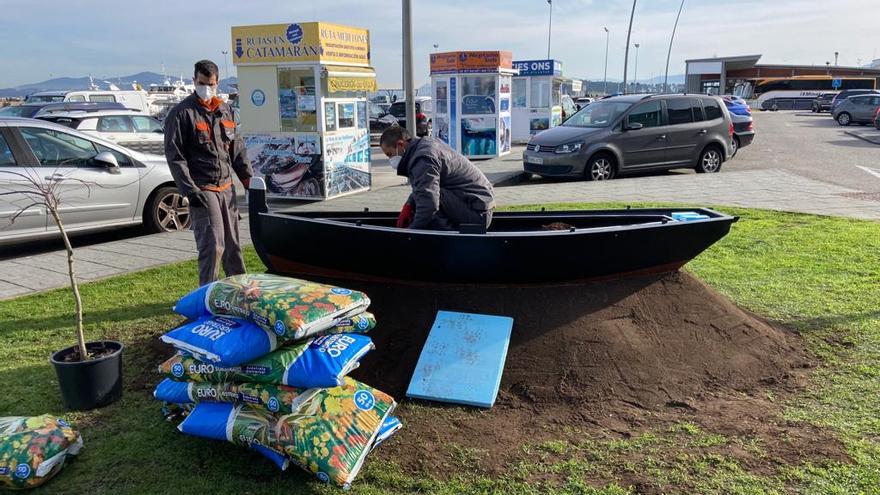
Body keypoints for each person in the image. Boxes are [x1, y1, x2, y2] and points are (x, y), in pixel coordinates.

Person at [164, 60, 253, 286]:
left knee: (233, 245)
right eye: (202, 83)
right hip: (203, 189)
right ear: (194, 81)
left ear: (217, 83)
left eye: (211, 84)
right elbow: (175, 156)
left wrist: (249, 180)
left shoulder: (226, 110)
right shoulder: (182, 113)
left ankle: (239, 291)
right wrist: (189, 190)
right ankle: (208, 295)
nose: (206, 88)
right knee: (213, 245)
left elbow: (236, 148)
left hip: (226, 187)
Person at [379, 126, 495, 231]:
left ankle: (448, 239)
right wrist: (409, 204)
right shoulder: (423, 147)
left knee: (430, 201)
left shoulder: (423, 158)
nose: (391, 160)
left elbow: (429, 204)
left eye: (390, 154)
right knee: (426, 198)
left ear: (400, 145)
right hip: (474, 206)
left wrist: (411, 232)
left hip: (477, 214)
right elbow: (422, 187)